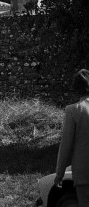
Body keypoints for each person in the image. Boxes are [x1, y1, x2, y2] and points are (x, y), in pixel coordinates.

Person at [55, 69, 89, 206]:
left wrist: (59, 173)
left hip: (84, 172)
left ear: (76, 88)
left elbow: (66, 145)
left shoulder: (73, 110)